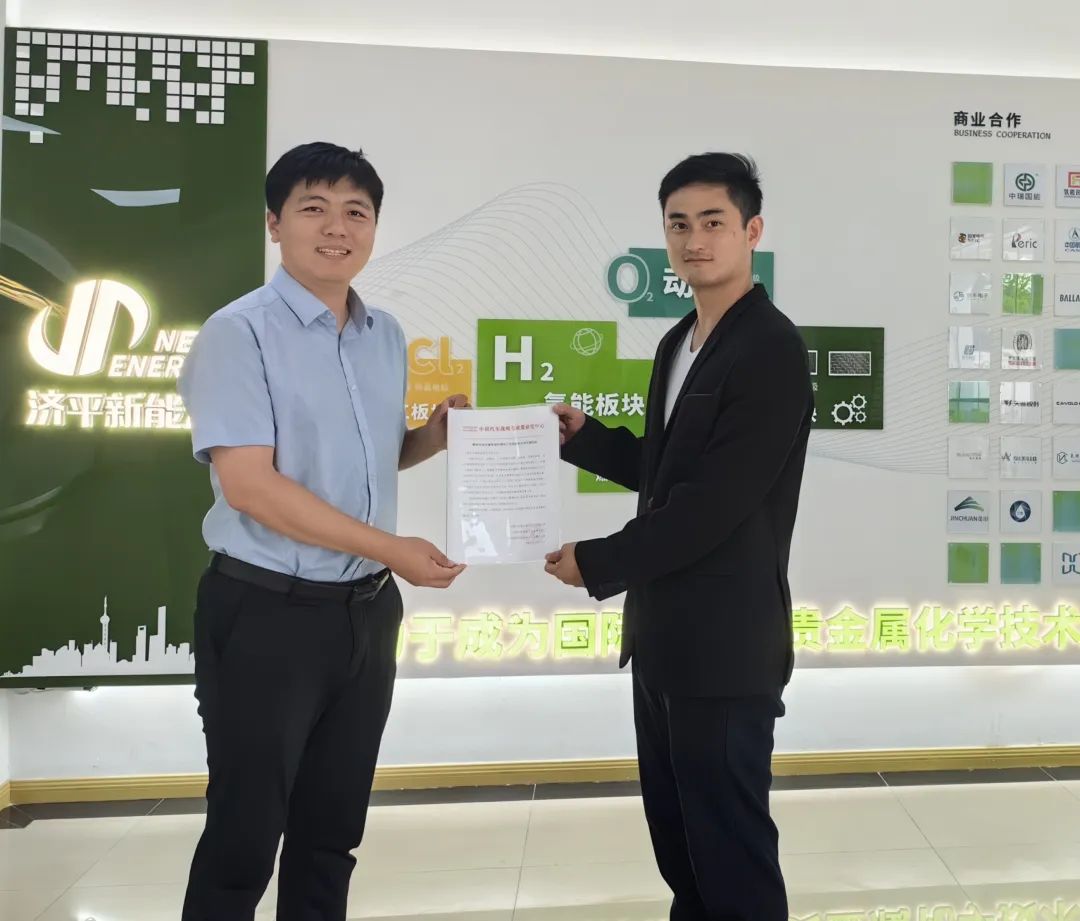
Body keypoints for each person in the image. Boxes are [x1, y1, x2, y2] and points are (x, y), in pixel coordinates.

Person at [177, 141, 467, 921]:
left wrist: (432, 437)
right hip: (267, 610)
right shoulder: (238, 333)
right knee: (244, 836)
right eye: (314, 208)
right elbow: (252, 485)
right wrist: (392, 549)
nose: (337, 227)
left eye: (356, 212)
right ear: (275, 223)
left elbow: (367, 458)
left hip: (365, 615)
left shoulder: (385, 334)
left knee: (331, 833)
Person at [545, 152, 813, 921]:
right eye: (679, 224)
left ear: (752, 230)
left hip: (726, 649)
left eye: (713, 222)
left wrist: (598, 561)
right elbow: (667, 471)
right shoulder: (678, 342)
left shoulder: (770, 349)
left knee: (732, 858)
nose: (694, 240)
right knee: (684, 854)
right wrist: (587, 439)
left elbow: (712, 503)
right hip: (662, 639)